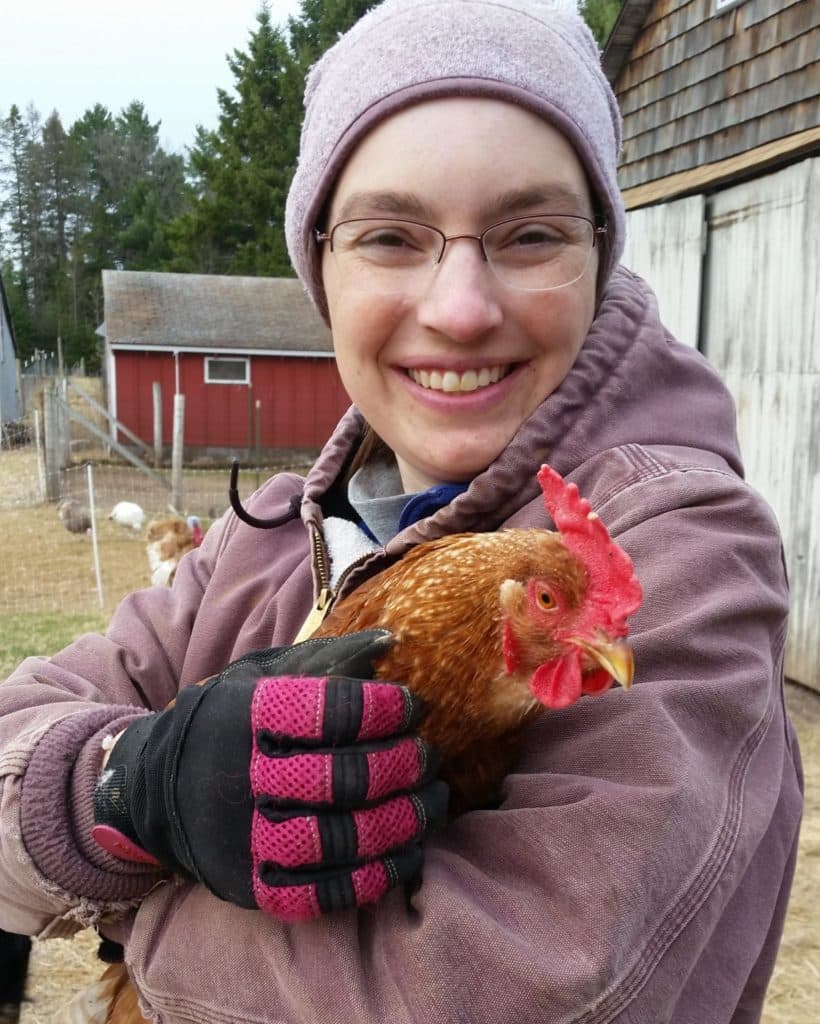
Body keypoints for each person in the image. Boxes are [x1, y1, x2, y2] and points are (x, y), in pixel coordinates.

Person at [0, 1, 803, 1021]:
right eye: (389, 235)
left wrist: (136, 918)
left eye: (530, 233)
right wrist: (130, 790)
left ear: (599, 256)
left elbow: (527, 987)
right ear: (321, 273)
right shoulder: (269, 541)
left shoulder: (681, 547)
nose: (460, 307)